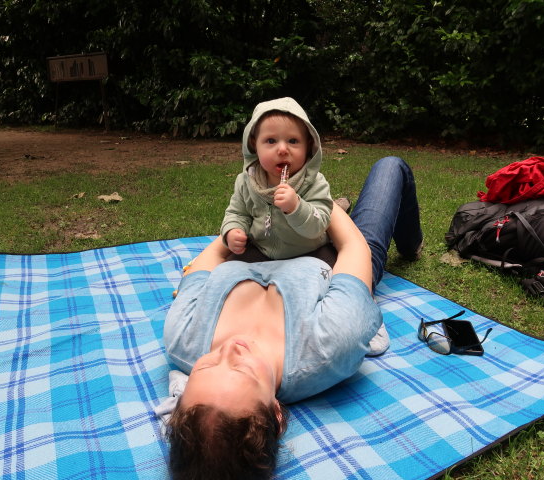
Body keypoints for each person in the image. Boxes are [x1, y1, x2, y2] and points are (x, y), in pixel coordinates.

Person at [162, 156, 423, 480]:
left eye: (207, 365)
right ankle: (409, 243)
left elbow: (213, 255)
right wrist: (313, 198)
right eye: (241, 368)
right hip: (334, 256)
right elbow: (353, 247)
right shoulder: (328, 346)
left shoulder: (181, 338)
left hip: (264, 243)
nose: (229, 349)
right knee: (390, 167)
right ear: (276, 413)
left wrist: (239, 227)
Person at [221, 97, 333, 261]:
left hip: (309, 252)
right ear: (254, 145)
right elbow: (237, 213)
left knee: (327, 273)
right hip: (262, 250)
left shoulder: (314, 182)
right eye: (271, 141)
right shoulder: (246, 181)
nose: (282, 149)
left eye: (293, 141)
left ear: (308, 146)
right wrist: (233, 230)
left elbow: (320, 225)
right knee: (229, 272)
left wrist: (296, 206)